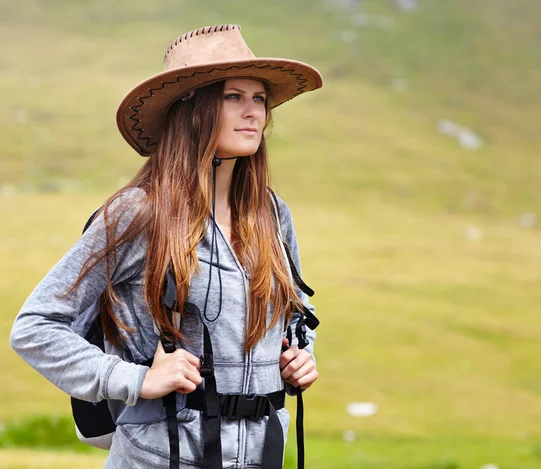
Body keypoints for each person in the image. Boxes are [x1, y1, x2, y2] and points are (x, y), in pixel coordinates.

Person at [10, 24, 323, 469]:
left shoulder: (272, 215)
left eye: (259, 98)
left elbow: (292, 317)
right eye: (233, 97)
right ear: (191, 110)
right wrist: (136, 379)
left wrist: (301, 357)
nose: (253, 112)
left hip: (261, 455)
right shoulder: (138, 213)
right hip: (158, 457)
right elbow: (35, 327)